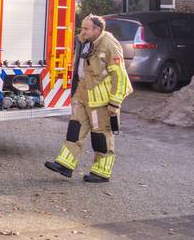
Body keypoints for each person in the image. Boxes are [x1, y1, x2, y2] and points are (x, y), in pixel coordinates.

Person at [45, 14, 132, 183]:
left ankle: (101, 172)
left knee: (101, 136)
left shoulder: (109, 44)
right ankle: (65, 164)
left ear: (97, 29)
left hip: (101, 99)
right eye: (82, 27)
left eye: (86, 28)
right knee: (75, 128)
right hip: (82, 93)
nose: (82, 31)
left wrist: (115, 103)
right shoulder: (86, 42)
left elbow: (120, 76)